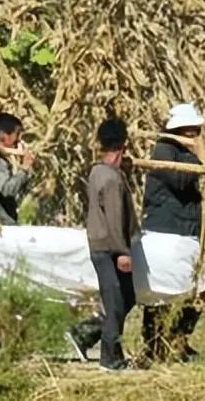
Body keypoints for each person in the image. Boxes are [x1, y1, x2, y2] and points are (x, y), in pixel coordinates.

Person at [71, 117, 139, 371]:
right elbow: (113, 217)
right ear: (124, 146)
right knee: (117, 303)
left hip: (101, 245)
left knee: (125, 298)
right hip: (109, 248)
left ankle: (86, 335)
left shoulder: (98, 172)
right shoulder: (111, 178)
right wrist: (122, 252)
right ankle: (109, 358)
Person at [139, 102, 205, 362]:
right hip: (166, 232)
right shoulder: (165, 150)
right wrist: (195, 156)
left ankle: (177, 338)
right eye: (192, 132)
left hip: (183, 231)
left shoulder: (178, 150)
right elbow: (179, 179)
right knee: (160, 291)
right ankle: (156, 344)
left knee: (192, 288)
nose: (196, 137)